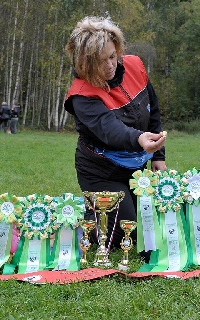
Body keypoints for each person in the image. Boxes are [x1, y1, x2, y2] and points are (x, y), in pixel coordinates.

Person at [64, 16, 167, 256]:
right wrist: (140, 139)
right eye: (101, 62)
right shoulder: (81, 94)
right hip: (101, 171)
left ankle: (97, 208)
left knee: (155, 226)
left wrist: (158, 156)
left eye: (112, 56)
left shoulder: (135, 66)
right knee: (123, 233)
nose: (110, 65)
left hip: (137, 170)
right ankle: (74, 216)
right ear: (85, 63)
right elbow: (110, 130)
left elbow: (153, 110)